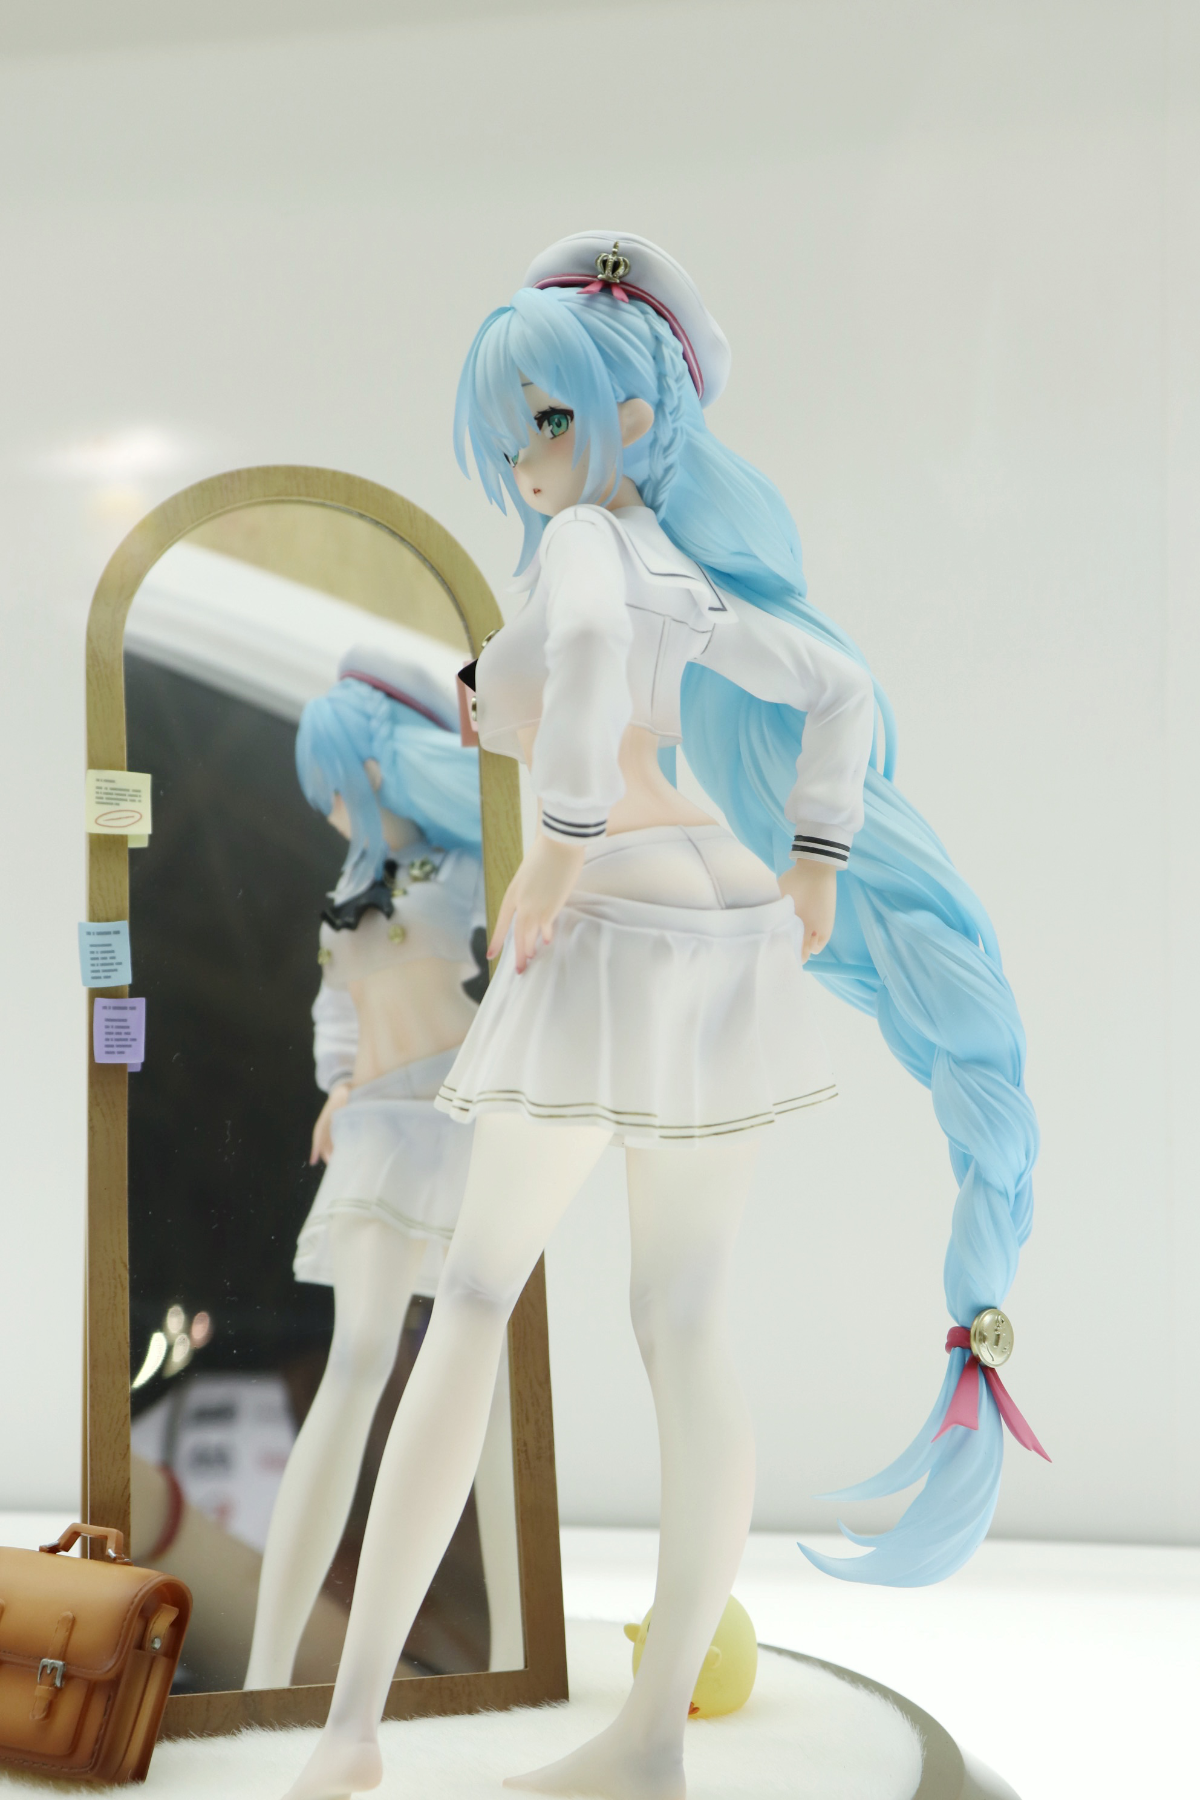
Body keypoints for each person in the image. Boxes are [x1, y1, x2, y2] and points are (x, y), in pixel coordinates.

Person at [280, 233, 1040, 1800]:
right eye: (515, 434)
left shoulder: (587, 551)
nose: (527, 463)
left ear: (634, 415)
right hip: (729, 938)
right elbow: (838, 692)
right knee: (684, 1318)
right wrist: (814, 866)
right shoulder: (694, 571)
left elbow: (583, 670)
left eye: (549, 422)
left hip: (615, 927)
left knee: (474, 1297)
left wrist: (559, 849)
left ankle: (352, 1731)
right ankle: (649, 1742)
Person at [245, 647, 522, 1692]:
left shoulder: (477, 863)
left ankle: (513, 1650)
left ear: (385, 767)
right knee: (357, 1360)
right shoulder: (352, 884)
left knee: (478, 1374)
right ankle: (269, 1672)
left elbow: (525, 979)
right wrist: (336, 1087)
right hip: (372, 1131)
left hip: (459, 1120)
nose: (332, 810)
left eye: (341, 784)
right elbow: (336, 1004)